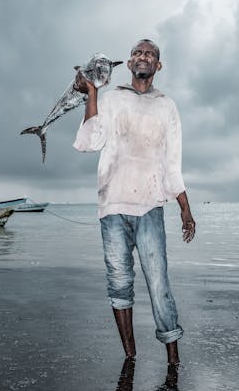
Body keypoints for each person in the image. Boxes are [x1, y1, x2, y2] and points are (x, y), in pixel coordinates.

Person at [72, 39, 195, 365]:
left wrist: (185, 208)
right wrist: (92, 95)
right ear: (128, 63)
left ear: (158, 66)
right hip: (112, 206)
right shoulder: (112, 99)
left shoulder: (167, 106)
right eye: (138, 53)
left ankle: (173, 361)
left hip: (150, 208)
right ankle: (131, 358)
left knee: (158, 284)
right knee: (119, 284)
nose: (143, 57)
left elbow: (172, 165)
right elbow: (90, 141)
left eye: (150, 54)